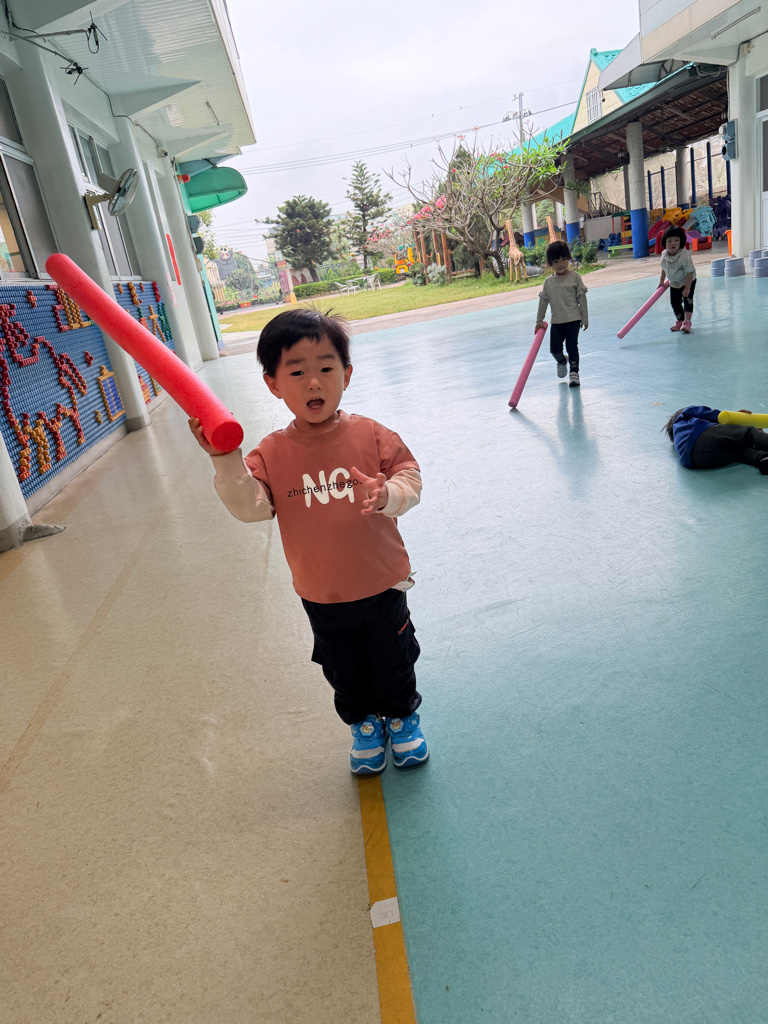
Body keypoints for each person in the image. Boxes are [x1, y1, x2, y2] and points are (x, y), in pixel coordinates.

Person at [189, 308, 428, 776]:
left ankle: (401, 717)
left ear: (347, 374)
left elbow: (410, 476)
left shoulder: (372, 434)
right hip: (322, 593)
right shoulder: (270, 454)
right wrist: (225, 460)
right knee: (343, 668)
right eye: (297, 372)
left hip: (383, 584)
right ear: (273, 384)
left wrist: (390, 495)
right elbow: (250, 507)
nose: (314, 382)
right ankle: (363, 723)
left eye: (326, 368)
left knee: (395, 660)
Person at [535, 240, 588, 388]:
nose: (560, 264)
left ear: (568, 258)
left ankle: (574, 373)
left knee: (572, 347)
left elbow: (582, 299)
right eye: (556, 261)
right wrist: (539, 321)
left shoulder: (575, 277)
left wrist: (584, 318)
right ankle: (561, 360)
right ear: (550, 264)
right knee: (554, 349)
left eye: (564, 259)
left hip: (573, 320)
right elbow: (543, 302)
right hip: (557, 322)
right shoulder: (548, 283)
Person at [663, 406, 768, 472]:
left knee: (738, 448)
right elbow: (716, 416)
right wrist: (734, 418)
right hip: (703, 437)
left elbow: (724, 434)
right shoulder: (684, 414)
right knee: (748, 433)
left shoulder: (680, 438)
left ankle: (763, 458)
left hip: (696, 461)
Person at [658, 224, 696, 333]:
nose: (673, 243)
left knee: (688, 300)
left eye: (676, 240)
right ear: (665, 242)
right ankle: (680, 320)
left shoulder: (685, 256)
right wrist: (661, 281)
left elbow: (690, 272)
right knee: (674, 302)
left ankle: (687, 321)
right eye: (669, 241)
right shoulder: (664, 255)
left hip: (687, 280)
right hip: (674, 282)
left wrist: (687, 288)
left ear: (681, 241)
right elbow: (664, 268)